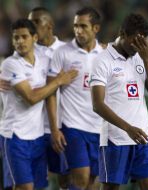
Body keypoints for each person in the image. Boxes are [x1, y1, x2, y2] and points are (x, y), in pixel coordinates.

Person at [0, 19, 77, 190]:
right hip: (15, 136)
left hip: (37, 136)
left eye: (24, 37)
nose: (20, 41)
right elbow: (31, 97)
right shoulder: (10, 64)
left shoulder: (44, 60)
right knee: (24, 187)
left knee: (38, 186)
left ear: (34, 37)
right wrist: (57, 81)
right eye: (16, 38)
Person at [90, 13, 148, 190]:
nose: (138, 47)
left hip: (143, 139)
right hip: (116, 139)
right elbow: (97, 105)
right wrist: (128, 128)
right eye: (134, 41)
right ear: (122, 33)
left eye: (142, 42)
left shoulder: (140, 57)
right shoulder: (102, 60)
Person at [47, 6, 104, 189]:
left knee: (91, 183)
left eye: (83, 26)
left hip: (99, 128)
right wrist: (55, 129)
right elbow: (50, 93)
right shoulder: (62, 53)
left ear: (96, 28)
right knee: (81, 178)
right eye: (75, 26)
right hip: (73, 127)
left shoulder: (105, 55)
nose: (78, 30)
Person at [28, 6, 69, 189]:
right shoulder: (25, 54)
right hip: (33, 128)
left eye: (36, 21)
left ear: (50, 25)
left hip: (63, 125)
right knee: (35, 181)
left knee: (66, 178)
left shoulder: (67, 51)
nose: (32, 25)